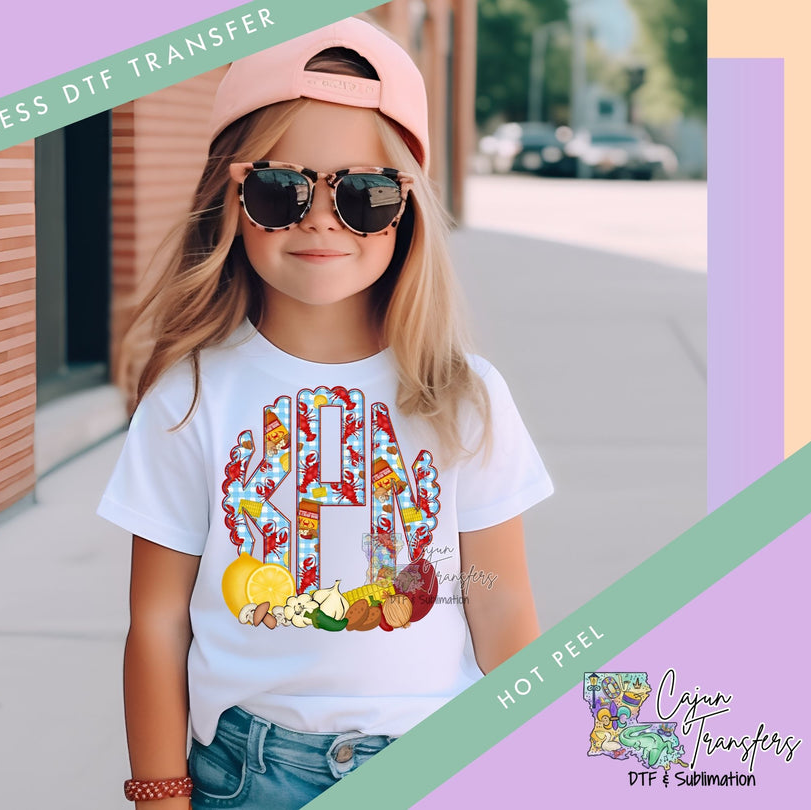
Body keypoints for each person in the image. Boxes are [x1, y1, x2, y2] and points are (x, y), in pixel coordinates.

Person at [98, 17, 554, 810]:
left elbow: (498, 596)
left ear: (405, 207)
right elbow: (160, 619)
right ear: (232, 196)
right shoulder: (191, 397)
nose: (320, 219)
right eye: (281, 189)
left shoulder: (463, 395)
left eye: (364, 194)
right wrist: (160, 793)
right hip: (250, 774)